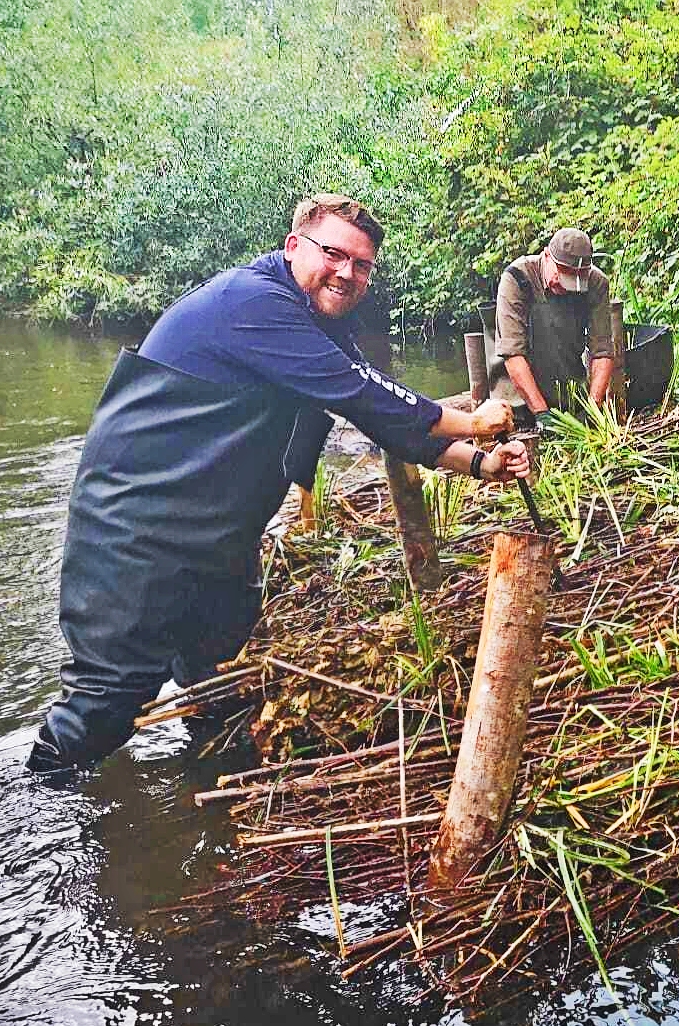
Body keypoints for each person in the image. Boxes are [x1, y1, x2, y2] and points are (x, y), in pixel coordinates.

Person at [27, 194, 530, 773]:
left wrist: (482, 464)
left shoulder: (314, 320)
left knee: (215, 681)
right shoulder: (253, 302)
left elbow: (376, 413)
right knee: (109, 699)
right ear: (295, 247)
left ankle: (202, 802)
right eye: (334, 254)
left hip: (217, 534)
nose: (347, 273)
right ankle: (41, 819)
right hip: (134, 529)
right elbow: (364, 392)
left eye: (362, 265)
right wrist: (473, 421)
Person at [487, 227, 615, 429]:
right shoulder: (518, 277)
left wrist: (593, 408)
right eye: (561, 276)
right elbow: (513, 355)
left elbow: (603, 351)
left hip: (569, 399)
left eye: (574, 282)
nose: (565, 287)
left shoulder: (596, 283)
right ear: (546, 255)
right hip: (516, 404)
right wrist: (542, 413)